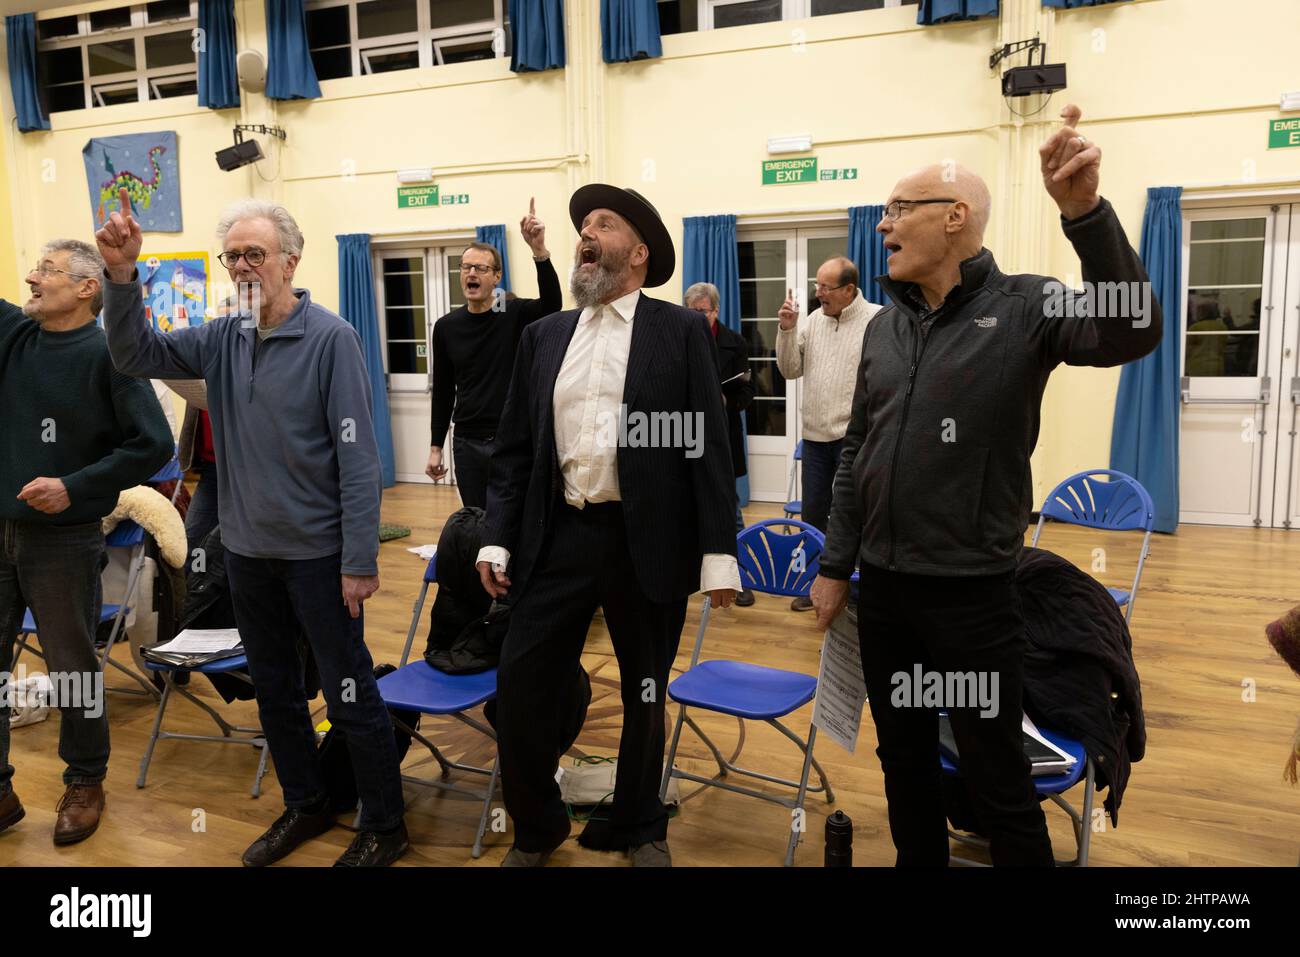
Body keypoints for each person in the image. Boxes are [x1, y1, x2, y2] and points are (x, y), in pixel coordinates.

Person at [810, 105, 1163, 866]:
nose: (883, 225)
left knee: (994, 771)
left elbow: (1131, 328)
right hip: (888, 596)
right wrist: (837, 565)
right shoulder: (884, 326)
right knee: (902, 761)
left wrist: (1085, 214)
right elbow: (857, 451)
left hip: (971, 602)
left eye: (899, 209)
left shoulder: (1027, 306)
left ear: (955, 217)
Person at [96, 189, 408, 867]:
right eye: (232, 255)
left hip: (321, 556)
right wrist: (122, 277)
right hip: (247, 553)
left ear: (289, 261)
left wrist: (360, 558)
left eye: (255, 254)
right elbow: (133, 354)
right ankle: (307, 801)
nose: (242, 266)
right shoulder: (220, 337)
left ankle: (385, 822)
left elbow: (359, 460)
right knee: (275, 690)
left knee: (349, 687)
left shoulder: (332, 338)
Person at [476, 185, 740, 867]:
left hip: (645, 542)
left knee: (644, 689)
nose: (585, 232)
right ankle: (537, 829)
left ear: (639, 252)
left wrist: (718, 555)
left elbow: (708, 449)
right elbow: (512, 450)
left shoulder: (679, 331)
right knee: (521, 686)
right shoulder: (544, 336)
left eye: (603, 223)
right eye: (582, 225)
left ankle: (639, 823)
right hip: (556, 537)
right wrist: (496, 534)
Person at [0, 239, 173, 845]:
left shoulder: (109, 354)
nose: (30, 277)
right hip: (1, 531)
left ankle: (85, 781)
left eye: (45, 270)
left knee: (72, 668)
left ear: (85, 287)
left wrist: (75, 486)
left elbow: (154, 444)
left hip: (63, 540)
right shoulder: (15, 335)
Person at [427, 200, 563, 508]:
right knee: (477, 519)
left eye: (480, 268)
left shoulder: (513, 313)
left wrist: (539, 250)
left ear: (496, 277)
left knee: (516, 516)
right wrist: (436, 446)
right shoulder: (447, 327)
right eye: (466, 267)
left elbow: (552, 304)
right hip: (467, 442)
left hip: (511, 440)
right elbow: (444, 392)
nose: (471, 273)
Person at [775, 256, 881, 610]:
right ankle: (814, 586)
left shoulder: (877, 320)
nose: (818, 294)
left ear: (849, 289)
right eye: (816, 285)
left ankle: (856, 589)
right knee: (814, 516)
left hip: (857, 439)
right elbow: (789, 370)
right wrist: (788, 329)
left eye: (825, 287)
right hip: (816, 440)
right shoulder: (812, 322)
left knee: (858, 515)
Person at [685, 281, 756, 607]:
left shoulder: (735, 342)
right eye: (691, 311)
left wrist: (721, 400)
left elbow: (746, 395)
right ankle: (692, 575)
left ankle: (738, 578)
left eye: (701, 312)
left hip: (721, 436)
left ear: (715, 311)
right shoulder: (679, 337)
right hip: (684, 434)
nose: (696, 317)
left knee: (729, 510)